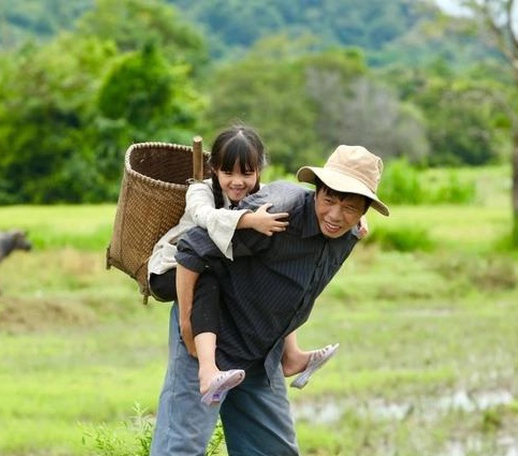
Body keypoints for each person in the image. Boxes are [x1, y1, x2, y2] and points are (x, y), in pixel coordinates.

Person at [150, 144, 389, 456]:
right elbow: (193, 247)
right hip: (211, 336)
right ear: (316, 191)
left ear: (364, 210)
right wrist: (186, 325)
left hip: (262, 353)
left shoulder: (349, 233)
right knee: (181, 449)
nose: (334, 215)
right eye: (329, 200)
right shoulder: (276, 215)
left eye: (349, 207)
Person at [146, 125, 340, 405]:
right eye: (228, 173)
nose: (237, 182)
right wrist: (248, 220)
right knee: (209, 278)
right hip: (173, 267)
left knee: (274, 271)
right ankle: (208, 371)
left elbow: (301, 198)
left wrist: (352, 211)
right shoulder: (200, 191)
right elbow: (204, 218)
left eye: (246, 173)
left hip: (212, 263)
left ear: (259, 169)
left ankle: (292, 355)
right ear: (214, 169)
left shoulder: (261, 196)